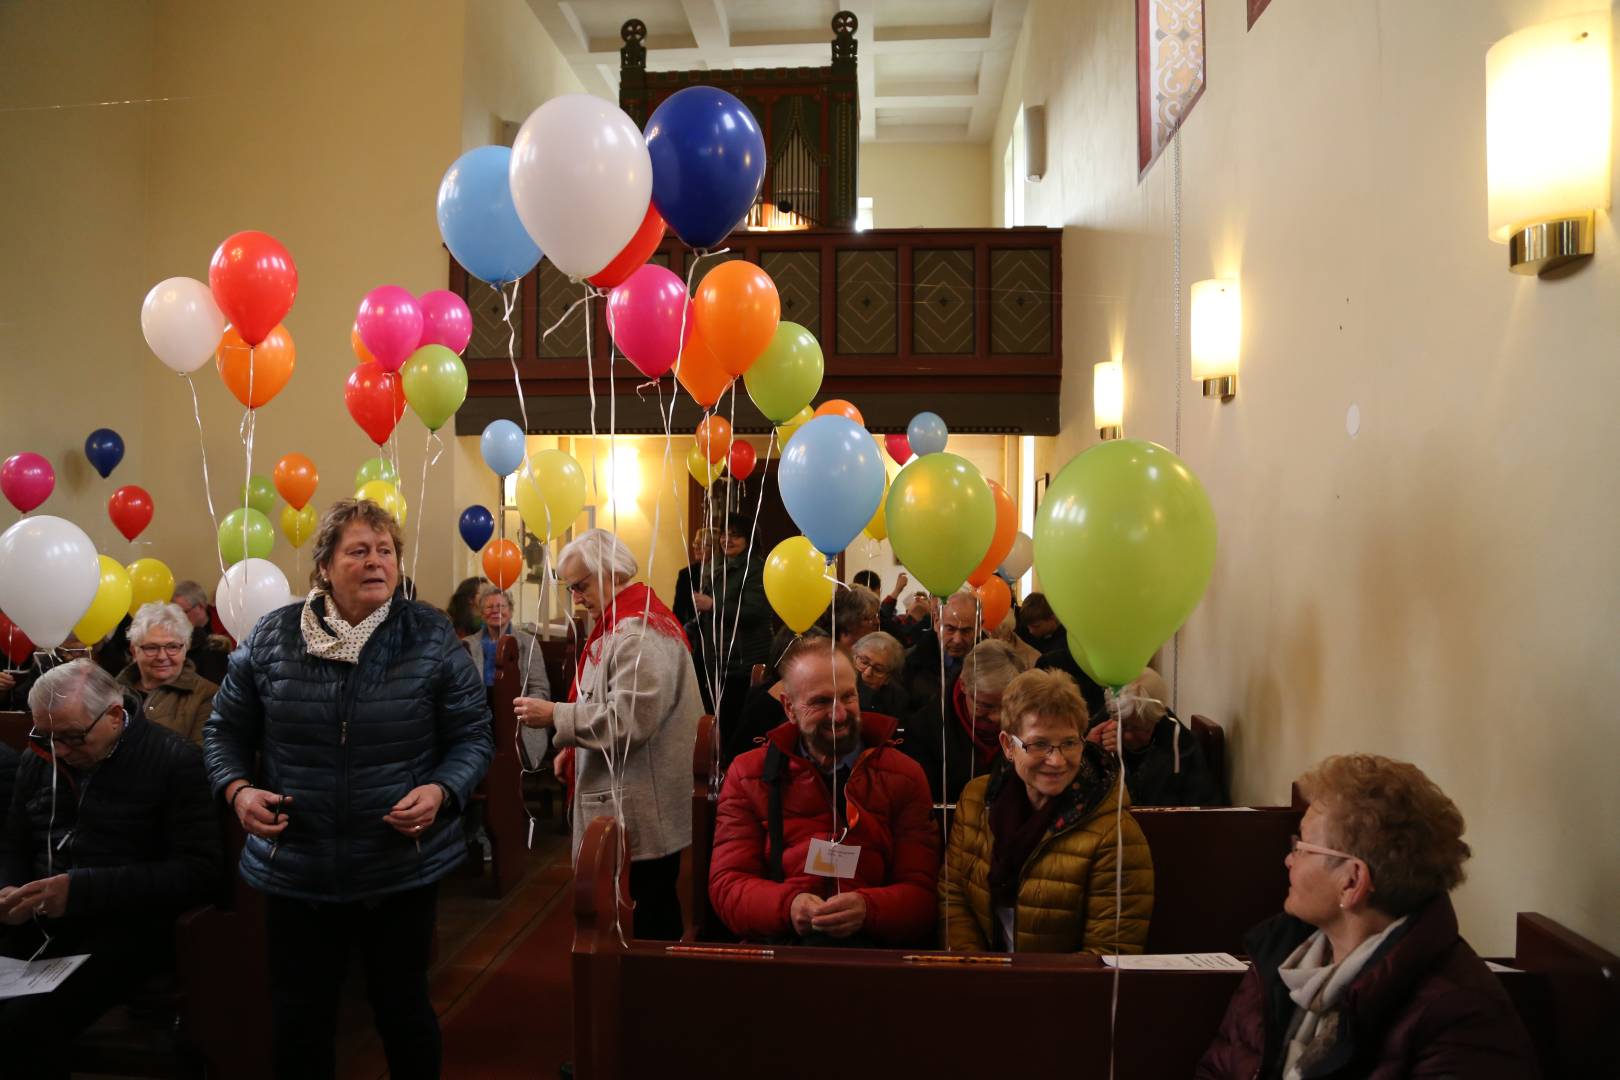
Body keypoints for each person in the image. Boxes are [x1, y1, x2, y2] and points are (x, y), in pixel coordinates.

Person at [205, 498, 493, 1080]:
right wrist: (237, 791)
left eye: (385, 551)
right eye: (358, 551)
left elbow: (473, 737)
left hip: (396, 863)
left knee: (403, 1012)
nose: (375, 562)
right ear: (325, 567)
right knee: (300, 1021)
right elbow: (224, 733)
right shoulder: (272, 636)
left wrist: (441, 791)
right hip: (297, 865)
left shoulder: (430, 636)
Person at [1198, 754, 1537, 1079]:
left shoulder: (1461, 1020)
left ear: (1352, 881)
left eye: (1302, 847)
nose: (1289, 860)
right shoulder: (1282, 956)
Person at [0, 660, 220, 1077]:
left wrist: (81, 890)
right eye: (44, 736)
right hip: (38, 924)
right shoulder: (39, 758)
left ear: (116, 716)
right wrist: (8, 887)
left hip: (125, 931)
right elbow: (14, 843)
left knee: (22, 1027)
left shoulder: (174, 762)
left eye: (71, 737)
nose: (58, 750)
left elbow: (199, 873)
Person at [512, 529, 701, 942]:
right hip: (634, 793)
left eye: (580, 586)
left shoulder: (638, 634)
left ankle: (650, 994)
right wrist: (574, 747)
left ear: (611, 572)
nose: (576, 597)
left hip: (642, 802)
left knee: (648, 909)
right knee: (638, 902)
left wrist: (555, 717)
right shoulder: (624, 622)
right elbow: (604, 697)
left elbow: (628, 720)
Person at [709, 638, 939, 946]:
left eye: (848, 697)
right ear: (789, 708)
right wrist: (788, 906)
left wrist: (869, 908)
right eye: (820, 702)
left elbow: (922, 896)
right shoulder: (749, 774)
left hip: (873, 954)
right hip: (782, 951)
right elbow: (728, 885)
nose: (840, 715)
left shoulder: (904, 775)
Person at [940, 667, 1153, 953]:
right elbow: (954, 895)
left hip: (1062, 990)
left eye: (1069, 743)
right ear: (1008, 745)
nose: (1057, 760)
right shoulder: (976, 800)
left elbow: (1109, 952)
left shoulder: (1114, 832)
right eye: (1039, 744)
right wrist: (976, 969)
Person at [904, 639, 1029, 806]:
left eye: (1007, 706)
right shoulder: (923, 731)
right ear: (963, 685)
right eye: (985, 705)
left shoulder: (1031, 724)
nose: (997, 717)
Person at [685, 515, 772, 748]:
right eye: (724, 534)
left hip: (742, 665)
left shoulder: (756, 569)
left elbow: (754, 611)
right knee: (717, 726)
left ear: (749, 539)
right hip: (719, 663)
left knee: (735, 731)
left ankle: (732, 777)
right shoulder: (721, 568)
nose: (727, 540)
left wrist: (712, 604)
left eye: (735, 535)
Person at [1086, 667, 1224, 807]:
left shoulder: (1183, 747)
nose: (1127, 736)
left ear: (1157, 720)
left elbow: (1205, 806)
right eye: (1123, 725)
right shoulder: (1096, 732)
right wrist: (1090, 753)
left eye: (1139, 728)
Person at [116, 601, 219, 745]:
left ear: (186, 648)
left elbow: (199, 758)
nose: (162, 657)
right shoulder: (113, 691)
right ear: (134, 650)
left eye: (172, 647)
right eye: (151, 648)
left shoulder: (208, 695)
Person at [461, 589, 551, 699]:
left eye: (501, 606)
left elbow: (540, 689)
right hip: (477, 711)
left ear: (511, 612)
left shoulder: (529, 643)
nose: (495, 610)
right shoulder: (467, 644)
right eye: (489, 607)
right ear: (482, 614)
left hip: (518, 710)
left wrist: (523, 710)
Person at [900, 591, 983, 705]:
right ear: (936, 622)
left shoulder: (993, 664)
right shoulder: (908, 663)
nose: (957, 640)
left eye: (966, 631)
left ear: (979, 628)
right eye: (950, 629)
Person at [173, 579, 233, 683]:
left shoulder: (226, 628)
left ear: (200, 607)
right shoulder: (172, 635)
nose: (178, 618)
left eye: (183, 612)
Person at [851, 630, 910, 716]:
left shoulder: (898, 699)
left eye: (878, 670)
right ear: (853, 657)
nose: (867, 673)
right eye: (864, 662)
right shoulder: (835, 681)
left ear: (889, 678)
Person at [817, 584, 881, 649]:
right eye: (866, 618)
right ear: (849, 621)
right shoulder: (823, 648)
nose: (877, 622)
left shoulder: (869, 649)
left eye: (875, 616)